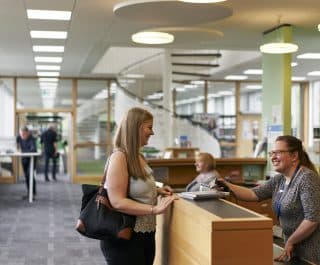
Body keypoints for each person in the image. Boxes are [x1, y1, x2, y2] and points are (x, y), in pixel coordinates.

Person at [216, 135, 320, 264]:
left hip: (309, 252)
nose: (273, 157)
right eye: (272, 153)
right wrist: (228, 185)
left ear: (294, 156)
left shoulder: (307, 179)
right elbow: (253, 194)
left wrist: (291, 240)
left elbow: (312, 219)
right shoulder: (279, 179)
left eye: (278, 152)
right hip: (290, 248)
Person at [100, 107, 177, 265]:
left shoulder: (138, 156)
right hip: (124, 237)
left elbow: (133, 186)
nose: (152, 132)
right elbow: (117, 201)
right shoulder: (119, 157)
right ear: (136, 127)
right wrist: (154, 209)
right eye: (149, 127)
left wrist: (156, 190)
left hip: (145, 234)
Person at [16, 126, 37, 199]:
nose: (22, 136)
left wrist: (22, 151)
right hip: (24, 159)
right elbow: (15, 143)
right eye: (21, 134)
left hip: (31, 159)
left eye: (24, 134)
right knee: (27, 176)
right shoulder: (19, 136)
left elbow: (33, 150)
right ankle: (29, 193)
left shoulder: (32, 139)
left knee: (30, 175)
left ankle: (32, 194)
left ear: (27, 133)